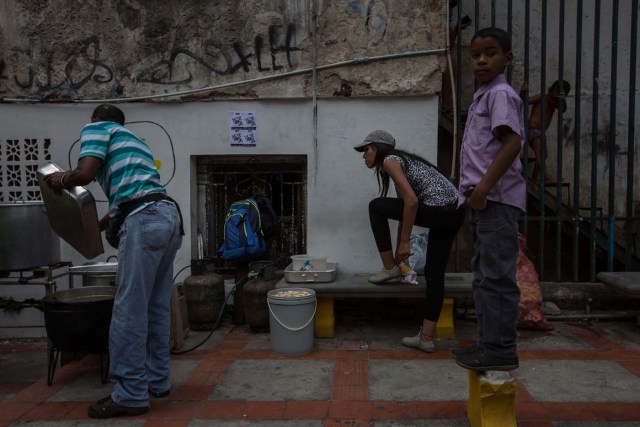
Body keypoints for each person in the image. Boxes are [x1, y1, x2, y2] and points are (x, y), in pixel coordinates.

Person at [44, 104, 184, 418]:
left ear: (95, 121)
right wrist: (96, 227)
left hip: (145, 220)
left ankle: (131, 395)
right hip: (168, 217)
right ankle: (156, 382)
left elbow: (85, 174)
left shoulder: (96, 130)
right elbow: (129, 199)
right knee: (155, 306)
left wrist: (61, 180)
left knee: (129, 310)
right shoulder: (136, 142)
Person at [452, 27, 526, 371]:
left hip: (494, 200)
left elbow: (512, 143)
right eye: (475, 54)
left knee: (495, 278)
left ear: (507, 58)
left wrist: (481, 190)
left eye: (491, 53)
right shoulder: (484, 95)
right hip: (483, 201)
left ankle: (500, 350)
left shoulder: (501, 94)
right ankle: (488, 345)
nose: (481, 60)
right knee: (483, 277)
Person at [354, 130, 465, 352]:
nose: (363, 155)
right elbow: (405, 211)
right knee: (434, 274)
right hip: (455, 212)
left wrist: (404, 244)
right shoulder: (404, 163)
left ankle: (388, 268)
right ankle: (426, 338)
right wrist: (400, 258)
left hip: (439, 208)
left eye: (366, 149)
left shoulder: (391, 160)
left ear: (378, 148)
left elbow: (412, 203)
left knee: (375, 207)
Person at [520, 79, 571, 183]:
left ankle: (534, 180)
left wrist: (563, 101)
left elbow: (563, 110)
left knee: (543, 155)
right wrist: (522, 92)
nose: (553, 100)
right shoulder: (542, 96)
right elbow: (526, 101)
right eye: (553, 96)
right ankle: (547, 176)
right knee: (540, 153)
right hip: (532, 128)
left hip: (541, 132)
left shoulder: (556, 102)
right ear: (549, 90)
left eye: (557, 98)